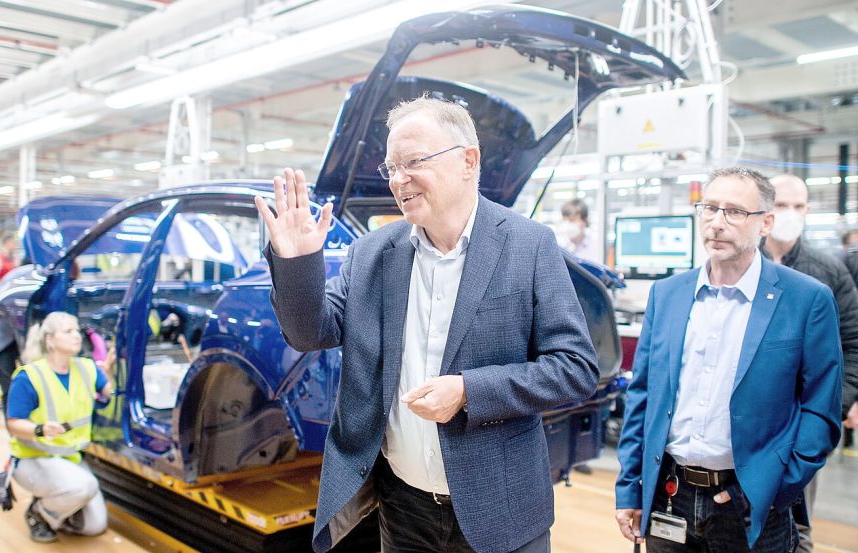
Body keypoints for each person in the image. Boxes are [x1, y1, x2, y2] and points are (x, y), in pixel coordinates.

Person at [255, 96, 599, 553]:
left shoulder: (529, 246)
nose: (399, 180)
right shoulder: (372, 254)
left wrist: (468, 391)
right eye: (391, 168)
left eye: (413, 162)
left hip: (502, 510)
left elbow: (575, 369)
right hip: (403, 510)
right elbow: (309, 332)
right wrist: (298, 263)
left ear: (468, 161)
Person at [614, 167, 843, 553]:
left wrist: (773, 488)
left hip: (751, 505)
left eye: (734, 212)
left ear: (765, 223)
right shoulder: (667, 295)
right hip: (670, 495)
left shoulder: (806, 299)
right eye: (710, 208)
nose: (717, 223)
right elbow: (642, 398)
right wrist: (630, 487)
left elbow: (821, 411)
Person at [761, 173, 858, 552]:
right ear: (764, 210)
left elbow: (853, 343)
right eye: (782, 205)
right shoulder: (741, 266)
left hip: (803, 420)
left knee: (795, 527)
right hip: (748, 423)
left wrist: (834, 408)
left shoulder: (829, 271)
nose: (790, 214)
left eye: (798, 207)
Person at [5, 311, 112, 543]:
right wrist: (40, 429)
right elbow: (13, 424)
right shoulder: (29, 376)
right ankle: (40, 514)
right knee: (85, 486)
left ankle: (56, 501)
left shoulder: (88, 368)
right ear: (50, 340)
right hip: (34, 458)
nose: (76, 336)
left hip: (70, 459)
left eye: (76, 331)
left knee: (95, 525)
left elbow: (109, 393)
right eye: (68, 331)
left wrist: (110, 370)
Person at [555, 198, 601, 263]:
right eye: (565, 220)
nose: (567, 225)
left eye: (572, 220)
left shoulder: (596, 247)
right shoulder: (559, 248)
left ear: (585, 220)